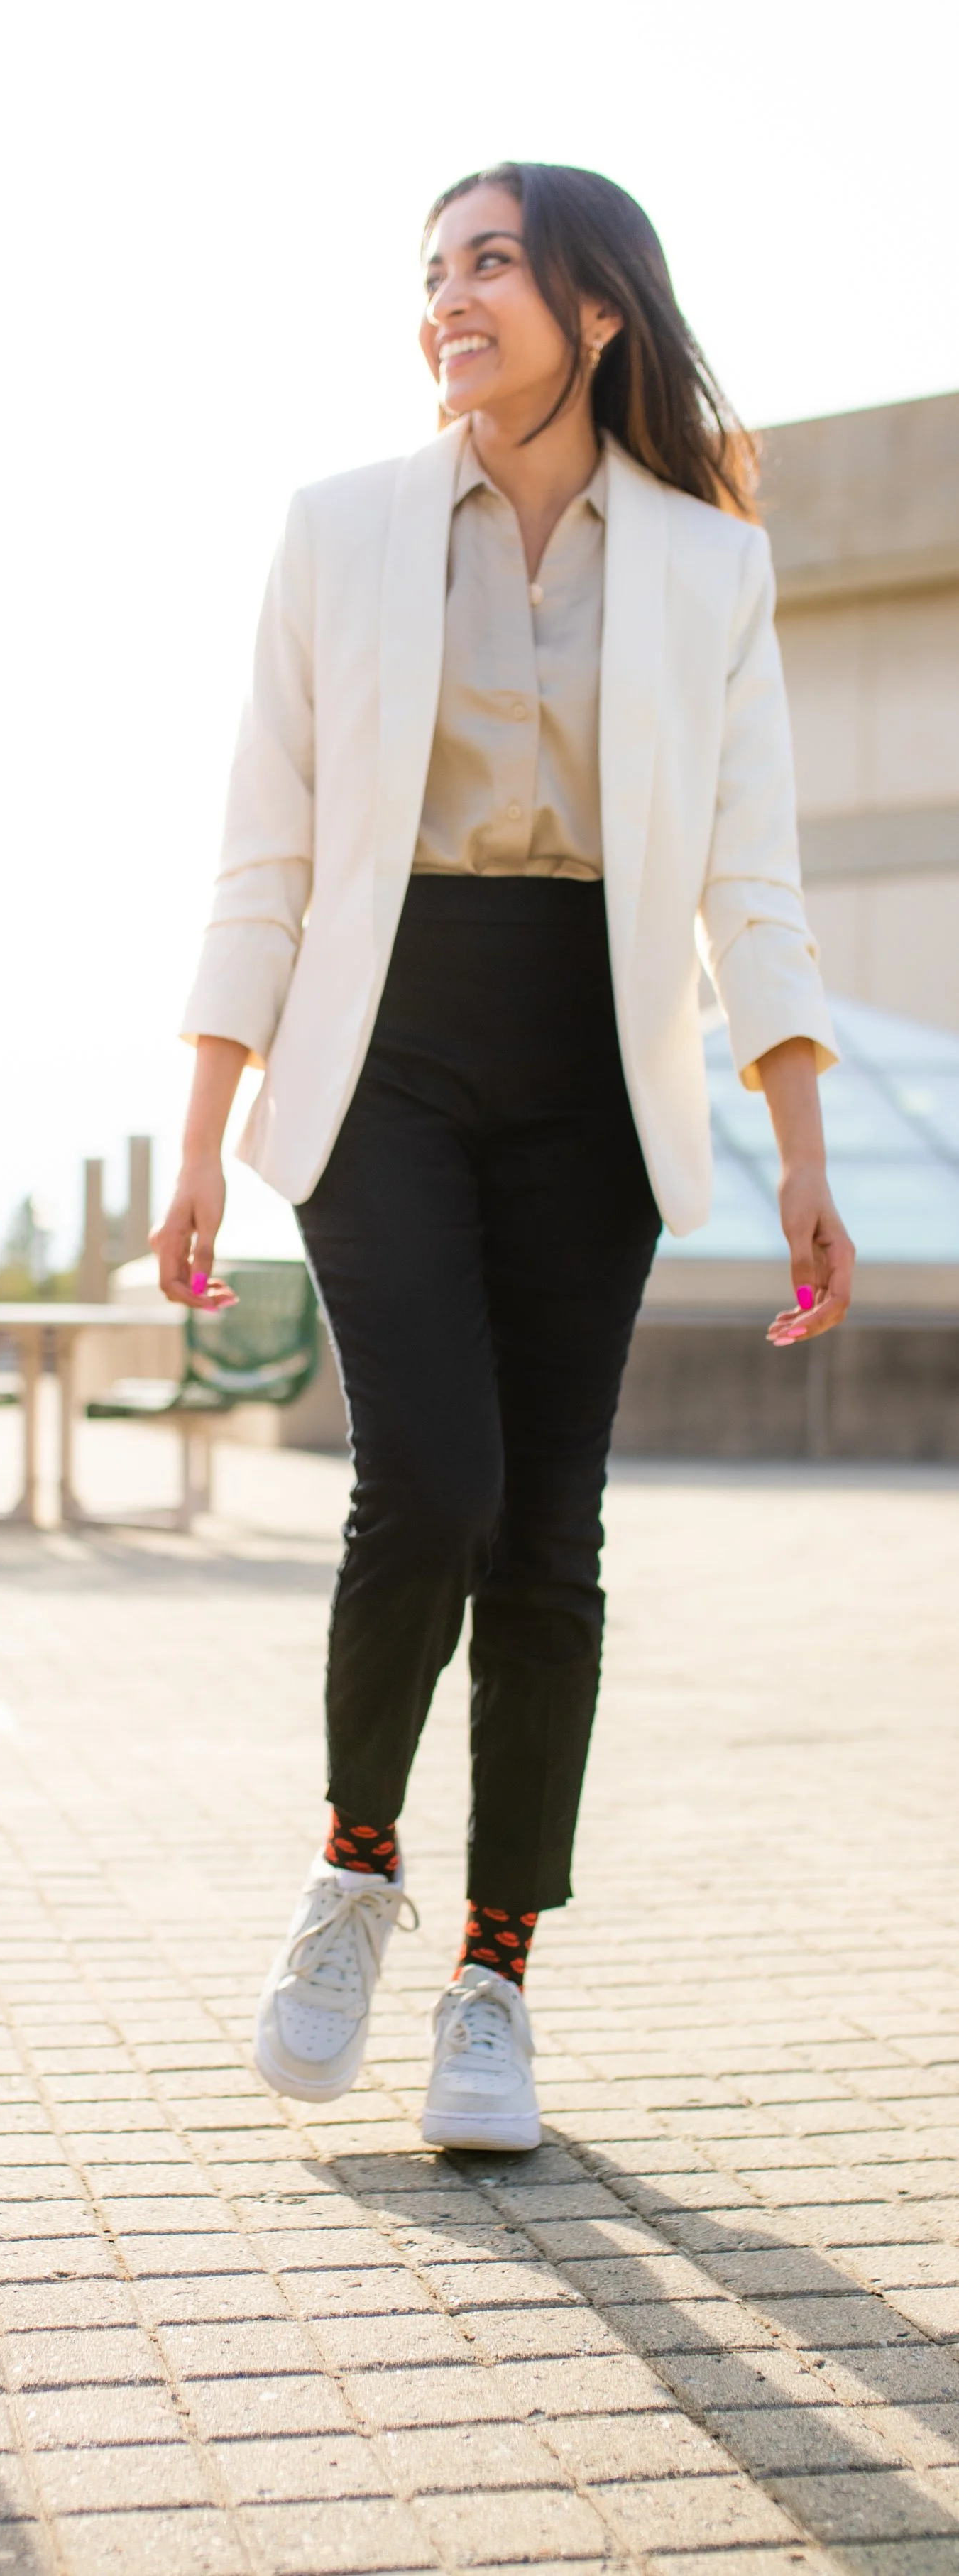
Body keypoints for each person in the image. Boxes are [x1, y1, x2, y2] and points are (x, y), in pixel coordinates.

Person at [156, 161, 852, 2151]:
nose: (447, 301)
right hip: (380, 1046)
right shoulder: (338, 530)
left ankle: (492, 1977)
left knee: (548, 1527)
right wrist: (203, 1132)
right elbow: (263, 846)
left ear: (595, 310)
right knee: (430, 1479)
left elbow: (750, 876)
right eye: (431, 272)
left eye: (488, 268)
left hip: (591, 1068)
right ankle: (352, 1864)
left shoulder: (710, 566)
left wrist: (800, 1147)